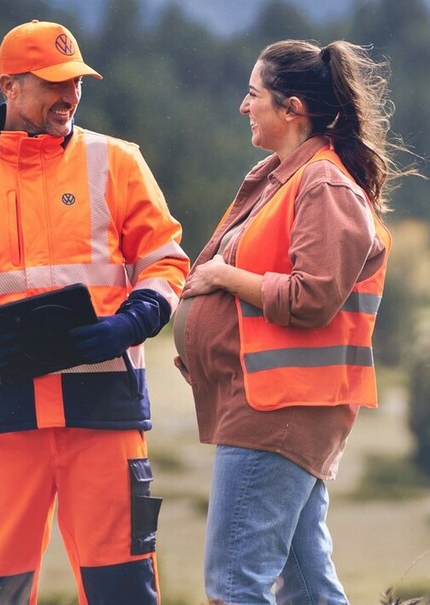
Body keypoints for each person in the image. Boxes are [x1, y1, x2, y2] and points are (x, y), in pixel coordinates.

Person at [0, 20, 188, 605]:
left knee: (125, 592)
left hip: (104, 417)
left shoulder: (119, 161)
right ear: (10, 86)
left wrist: (128, 324)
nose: (70, 94)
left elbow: (166, 262)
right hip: (4, 417)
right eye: (54, 82)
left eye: (76, 81)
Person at [174, 39, 412, 605]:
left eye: (253, 94)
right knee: (306, 585)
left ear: (292, 109)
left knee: (236, 584)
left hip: (278, 407)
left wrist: (225, 276)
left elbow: (313, 296)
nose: (243, 106)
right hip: (275, 402)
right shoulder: (288, 176)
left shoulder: (322, 184)